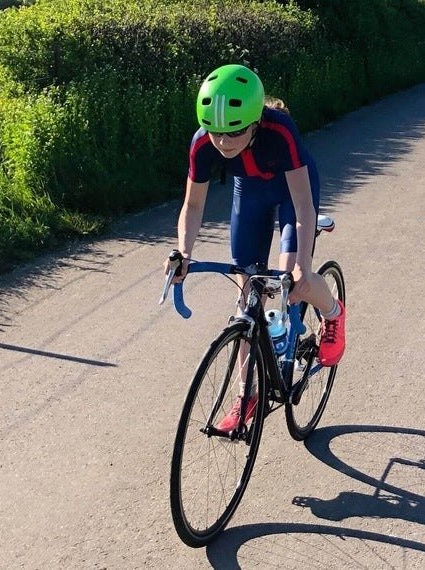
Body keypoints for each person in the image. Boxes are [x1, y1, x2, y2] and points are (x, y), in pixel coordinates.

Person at [167, 64, 345, 432]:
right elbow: (193, 206)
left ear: (255, 123)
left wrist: (301, 265)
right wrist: (183, 252)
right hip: (249, 193)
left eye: (234, 131)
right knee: (247, 296)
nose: (223, 142)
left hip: (293, 193)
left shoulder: (280, 132)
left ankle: (333, 314)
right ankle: (245, 396)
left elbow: (303, 208)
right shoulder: (202, 143)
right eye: (215, 131)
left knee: (297, 282)